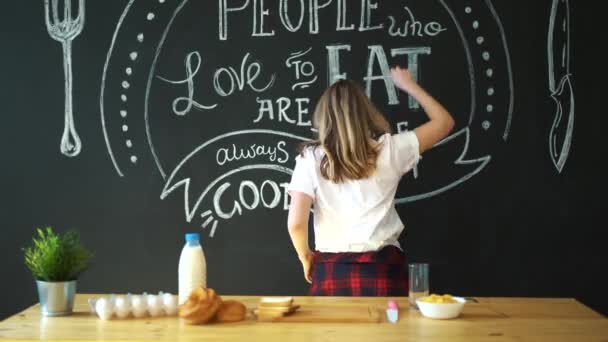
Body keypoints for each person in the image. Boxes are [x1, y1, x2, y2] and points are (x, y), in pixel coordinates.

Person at [287, 67, 455, 296]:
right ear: (366, 114)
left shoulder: (309, 158)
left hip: (330, 274)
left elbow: (296, 224)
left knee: (329, 334)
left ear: (323, 117)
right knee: (389, 332)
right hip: (383, 271)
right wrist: (408, 85)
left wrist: (305, 256)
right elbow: (444, 122)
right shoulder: (391, 149)